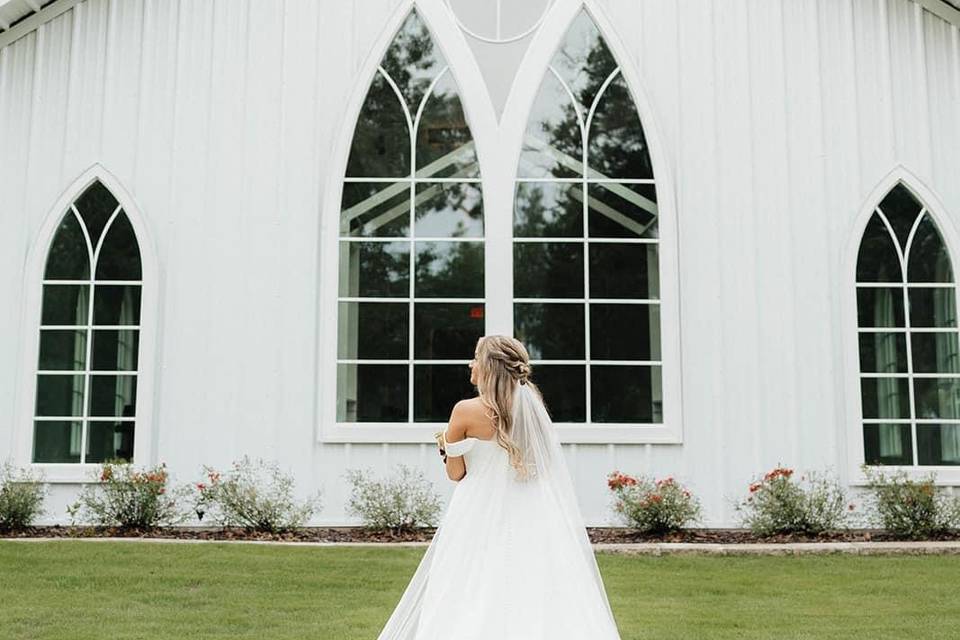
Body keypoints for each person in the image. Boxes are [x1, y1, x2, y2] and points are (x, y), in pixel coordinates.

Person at [376, 335, 622, 639]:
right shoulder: (532, 408)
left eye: (476, 357)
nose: (471, 363)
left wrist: (445, 449)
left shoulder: (465, 411)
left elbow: (456, 474)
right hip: (530, 509)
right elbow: (542, 466)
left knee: (468, 581)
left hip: (476, 510)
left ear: (489, 367)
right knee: (532, 585)